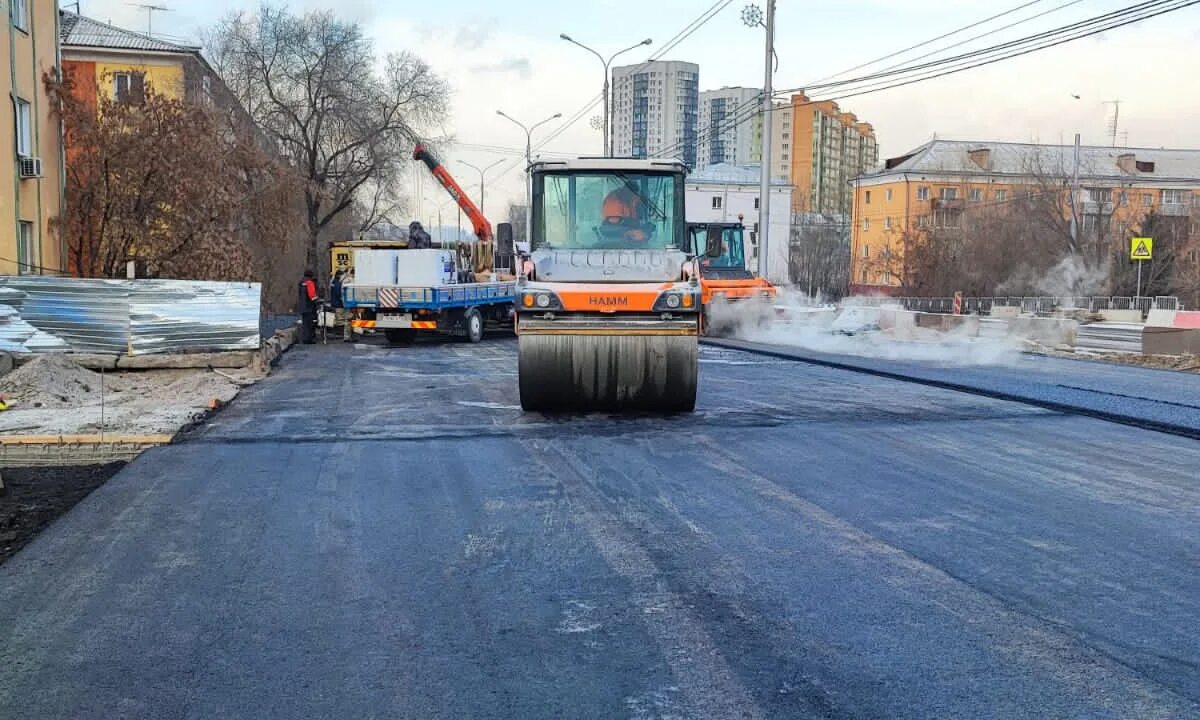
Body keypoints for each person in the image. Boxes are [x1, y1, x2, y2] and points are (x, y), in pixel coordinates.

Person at [329, 269, 353, 342]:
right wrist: (345, 301)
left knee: (342, 320)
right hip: (340, 304)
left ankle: (346, 336)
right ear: (340, 275)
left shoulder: (333, 281)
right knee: (344, 320)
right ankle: (346, 337)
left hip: (336, 304)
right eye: (343, 275)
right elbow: (339, 294)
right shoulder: (338, 283)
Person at [298, 269, 319, 344]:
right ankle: (308, 339)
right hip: (309, 306)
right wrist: (317, 301)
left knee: (305, 324)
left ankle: (304, 338)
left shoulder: (301, 282)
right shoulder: (309, 282)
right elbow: (312, 295)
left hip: (302, 306)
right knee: (309, 324)